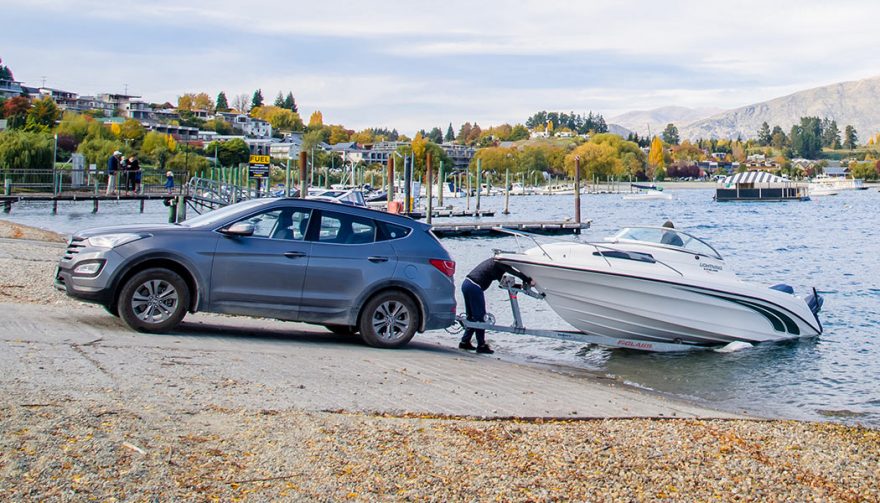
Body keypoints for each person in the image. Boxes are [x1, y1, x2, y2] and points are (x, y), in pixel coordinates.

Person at [460, 257, 532, 354]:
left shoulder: (493, 264)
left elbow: (502, 283)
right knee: (481, 318)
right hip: (475, 286)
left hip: (467, 283)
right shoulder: (499, 263)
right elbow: (515, 273)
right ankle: (481, 345)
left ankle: (465, 342)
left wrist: (520, 286)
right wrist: (528, 280)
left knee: (472, 317)